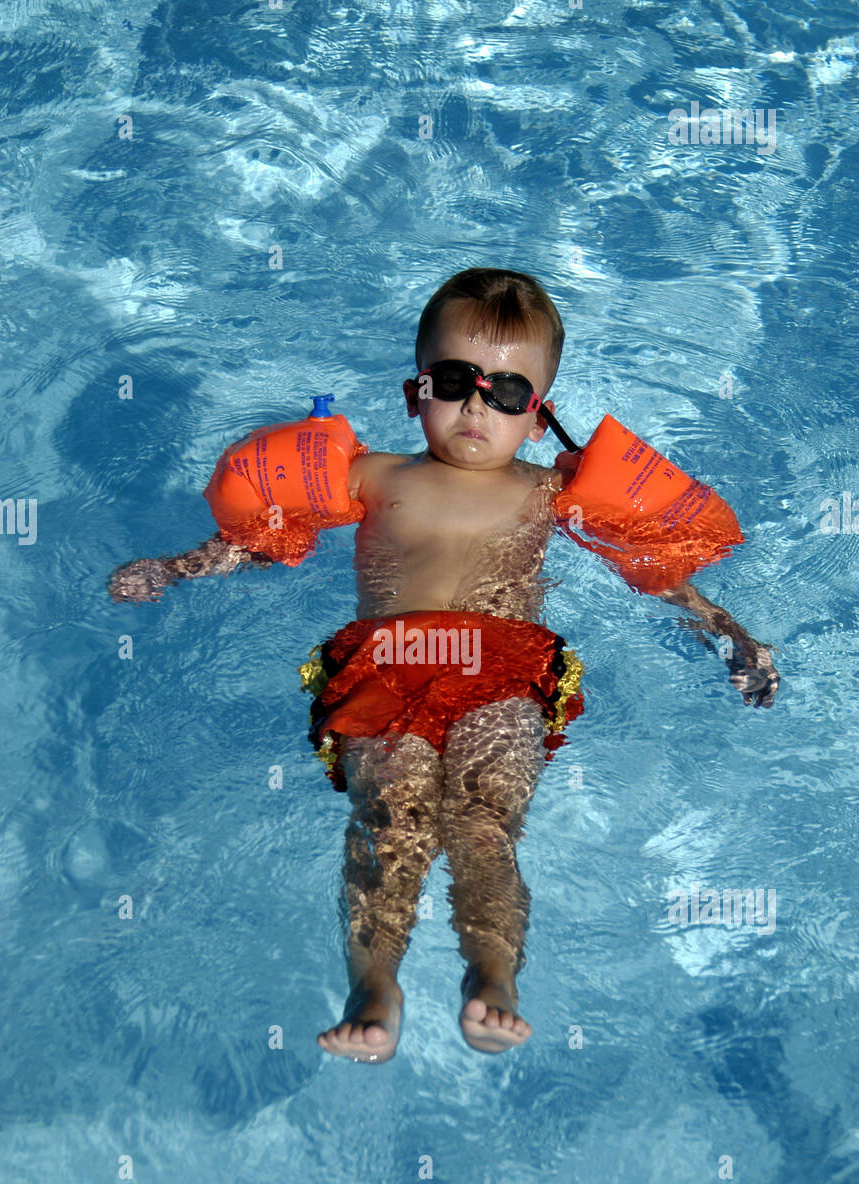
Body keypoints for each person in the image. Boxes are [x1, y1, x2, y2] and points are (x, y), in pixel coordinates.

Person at [108, 268, 779, 1063]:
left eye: (507, 392)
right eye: (455, 381)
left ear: (537, 419)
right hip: (386, 669)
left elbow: (652, 569)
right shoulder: (375, 476)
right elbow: (263, 540)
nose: (475, 406)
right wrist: (179, 568)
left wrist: (726, 628)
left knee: (484, 828)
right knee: (390, 821)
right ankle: (376, 985)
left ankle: (491, 974)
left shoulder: (549, 492)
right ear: (413, 391)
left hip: (503, 669)